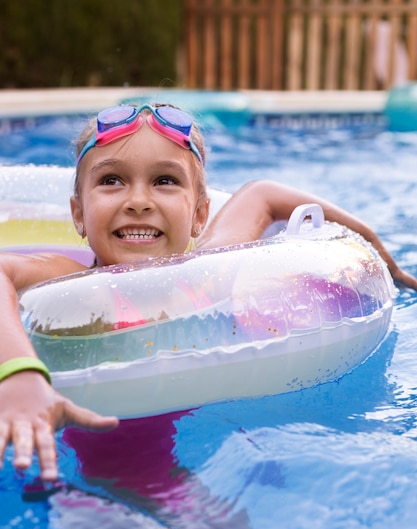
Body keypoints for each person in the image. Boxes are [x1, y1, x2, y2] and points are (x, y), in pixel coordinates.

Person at [0, 103, 416, 482]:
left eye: (164, 180)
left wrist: (385, 258)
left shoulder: (207, 272)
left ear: (200, 214)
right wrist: (19, 376)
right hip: (101, 463)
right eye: (112, 181)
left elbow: (263, 194)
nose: (139, 201)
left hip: (211, 441)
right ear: (78, 213)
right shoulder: (73, 285)